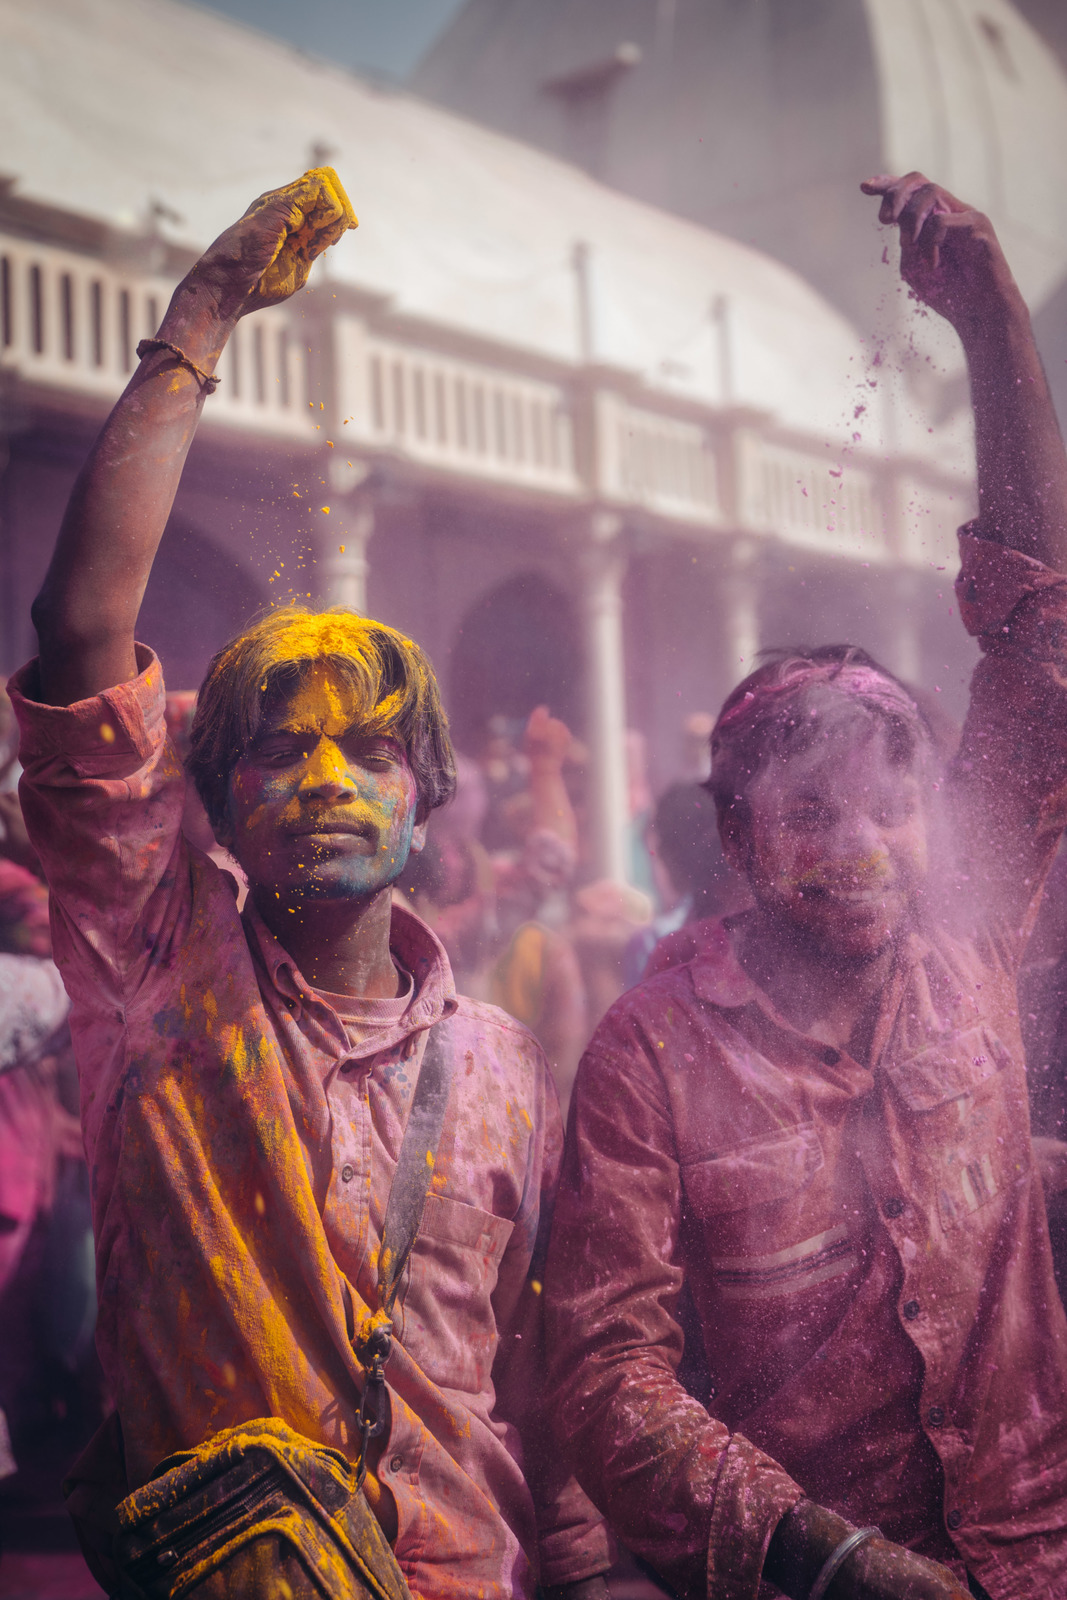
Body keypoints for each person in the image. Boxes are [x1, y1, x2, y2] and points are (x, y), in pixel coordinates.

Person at [10, 168, 608, 1600]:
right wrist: (200, 318)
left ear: (428, 797)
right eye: (282, 750)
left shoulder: (504, 1065)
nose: (329, 779)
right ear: (213, 804)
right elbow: (83, 626)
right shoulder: (162, 977)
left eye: (370, 750)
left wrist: (582, 1568)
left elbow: (533, 1364)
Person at [545, 172, 1067, 1600]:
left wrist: (994, 329)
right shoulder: (650, 1056)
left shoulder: (963, 936)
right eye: (811, 810)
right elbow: (603, 1377)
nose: (863, 843)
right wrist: (839, 1565)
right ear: (736, 838)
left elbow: (1037, 639)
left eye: (894, 803)